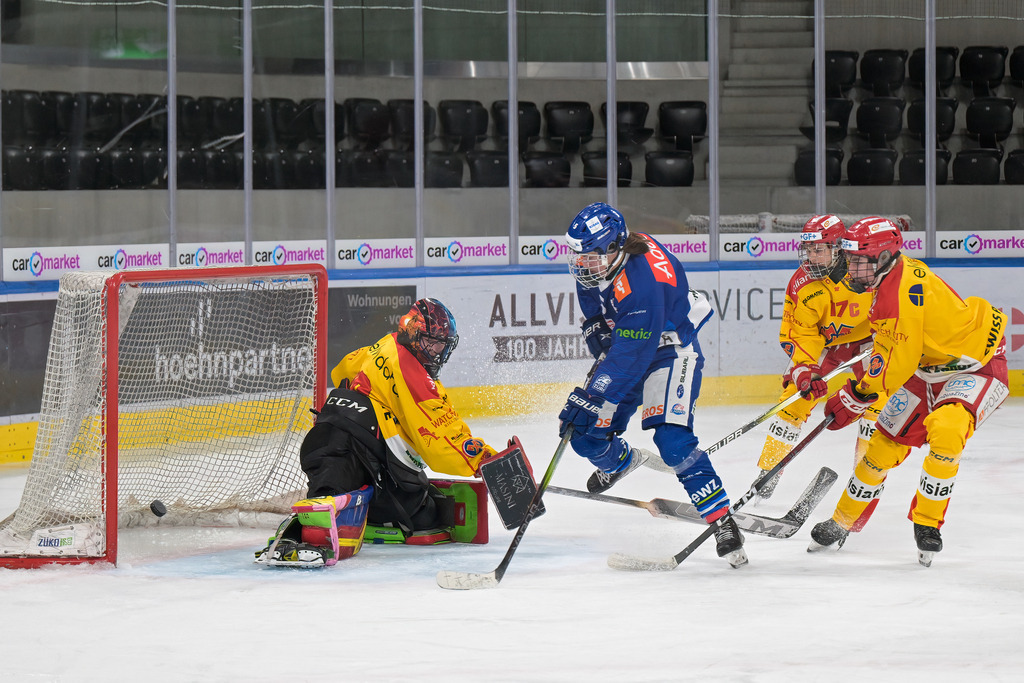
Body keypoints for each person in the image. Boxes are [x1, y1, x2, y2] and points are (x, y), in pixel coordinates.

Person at [556, 202, 747, 568]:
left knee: (673, 443)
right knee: (585, 436)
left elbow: (632, 359)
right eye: (577, 255)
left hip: (670, 352)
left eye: (588, 256)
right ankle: (621, 462)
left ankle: (722, 519)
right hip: (633, 346)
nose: (580, 263)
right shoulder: (604, 259)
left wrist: (592, 395)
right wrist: (595, 322)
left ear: (613, 248)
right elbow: (590, 288)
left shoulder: (643, 284)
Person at [809, 216, 1008, 566]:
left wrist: (854, 395)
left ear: (884, 258)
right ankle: (842, 521)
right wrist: (852, 376)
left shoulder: (896, 296)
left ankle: (927, 524)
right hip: (928, 368)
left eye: (859, 262)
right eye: (850, 259)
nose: (851, 269)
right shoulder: (892, 278)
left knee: (947, 431)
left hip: (976, 363)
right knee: (881, 447)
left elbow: (893, 366)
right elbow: (891, 347)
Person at [256, 297, 508, 566]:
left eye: (441, 346)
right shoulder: (416, 378)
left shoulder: (385, 344)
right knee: (426, 517)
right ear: (412, 332)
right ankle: (321, 525)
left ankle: (312, 520)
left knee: (329, 493)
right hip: (356, 452)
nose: (436, 351)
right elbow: (443, 443)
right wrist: (486, 460)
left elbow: (342, 369)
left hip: (322, 440)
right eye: (431, 343)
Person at [755, 214, 887, 502]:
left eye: (819, 250)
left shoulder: (866, 270)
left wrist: (886, 343)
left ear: (838, 247)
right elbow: (800, 333)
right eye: (809, 250)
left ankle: (864, 482)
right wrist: (805, 370)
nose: (812, 258)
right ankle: (768, 471)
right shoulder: (802, 283)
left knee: (876, 410)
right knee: (794, 398)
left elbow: (894, 308)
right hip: (826, 346)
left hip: (868, 343)